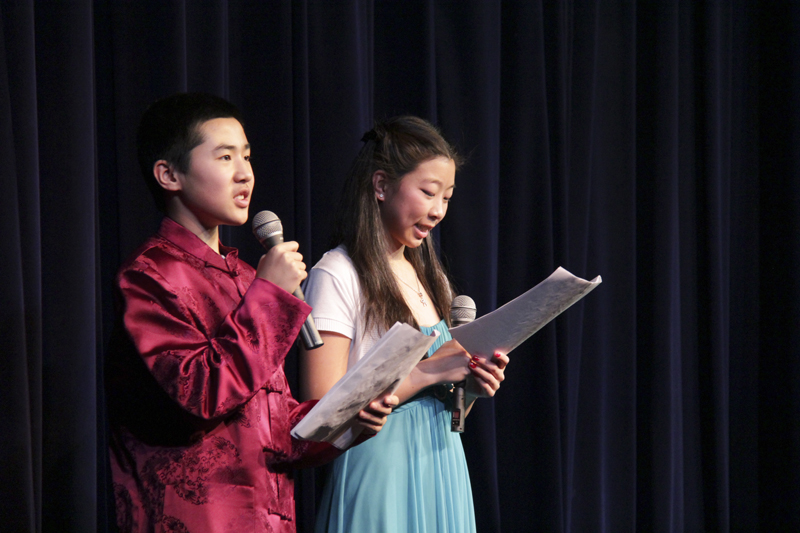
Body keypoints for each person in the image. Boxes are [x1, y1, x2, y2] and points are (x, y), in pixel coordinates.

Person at [105, 92, 397, 533]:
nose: (245, 173)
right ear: (169, 175)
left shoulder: (247, 278)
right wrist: (271, 296)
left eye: (246, 156)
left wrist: (349, 419)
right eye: (225, 157)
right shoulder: (149, 275)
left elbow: (274, 432)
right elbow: (200, 395)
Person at [299, 116, 510, 533]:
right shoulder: (337, 273)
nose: (438, 210)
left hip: (442, 464)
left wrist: (470, 386)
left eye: (446, 197)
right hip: (381, 470)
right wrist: (427, 371)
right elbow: (320, 414)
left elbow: (449, 410)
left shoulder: (431, 278)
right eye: (428, 193)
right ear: (381, 185)